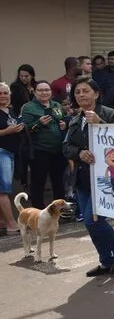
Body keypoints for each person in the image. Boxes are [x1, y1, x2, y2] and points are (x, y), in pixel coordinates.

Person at [62, 76, 114, 277]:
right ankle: (105, 260)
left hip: (104, 179)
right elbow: (66, 146)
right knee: (88, 220)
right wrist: (79, 153)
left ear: (96, 93)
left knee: (94, 220)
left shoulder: (109, 114)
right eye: (77, 92)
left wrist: (100, 123)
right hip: (82, 179)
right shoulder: (75, 119)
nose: (81, 95)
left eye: (85, 91)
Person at [21, 81, 66, 209]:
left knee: (58, 182)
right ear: (34, 92)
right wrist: (38, 123)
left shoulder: (56, 105)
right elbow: (25, 130)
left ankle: (60, 210)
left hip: (58, 150)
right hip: (39, 151)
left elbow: (62, 120)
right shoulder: (28, 107)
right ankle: (38, 211)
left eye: (47, 90)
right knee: (38, 182)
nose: (44, 92)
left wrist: (63, 125)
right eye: (40, 90)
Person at [0, 83, 23, 233]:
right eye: (0, 93)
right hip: (1, 152)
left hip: (11, 152)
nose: (2, 96)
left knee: (3, 189)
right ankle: (11, 223)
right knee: (3, 190)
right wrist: (8, 131)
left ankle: (3, 222)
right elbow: (7, 130)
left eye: (5, 93)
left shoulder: (11, 110)